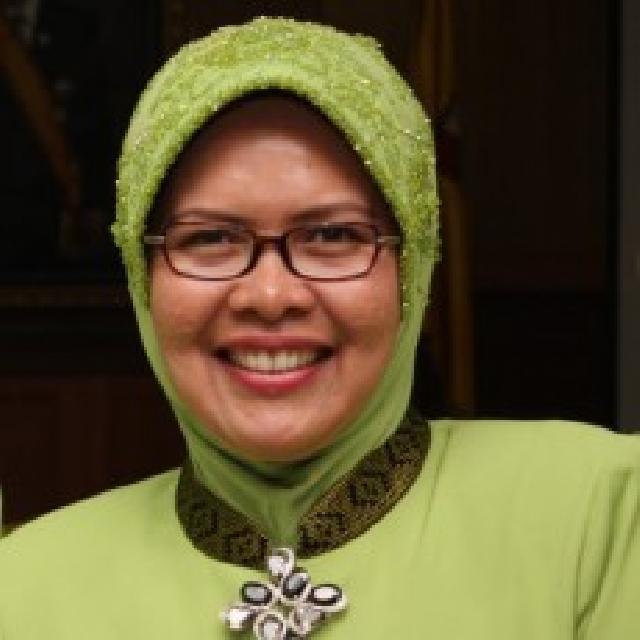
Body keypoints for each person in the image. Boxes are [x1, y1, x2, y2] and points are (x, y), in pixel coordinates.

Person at [1, 17, 639, 640]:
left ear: (412, 269)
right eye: (211, 238)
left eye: (333, 235)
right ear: (143, 281)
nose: (270, 296)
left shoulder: (600, 515)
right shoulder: (24, 586)